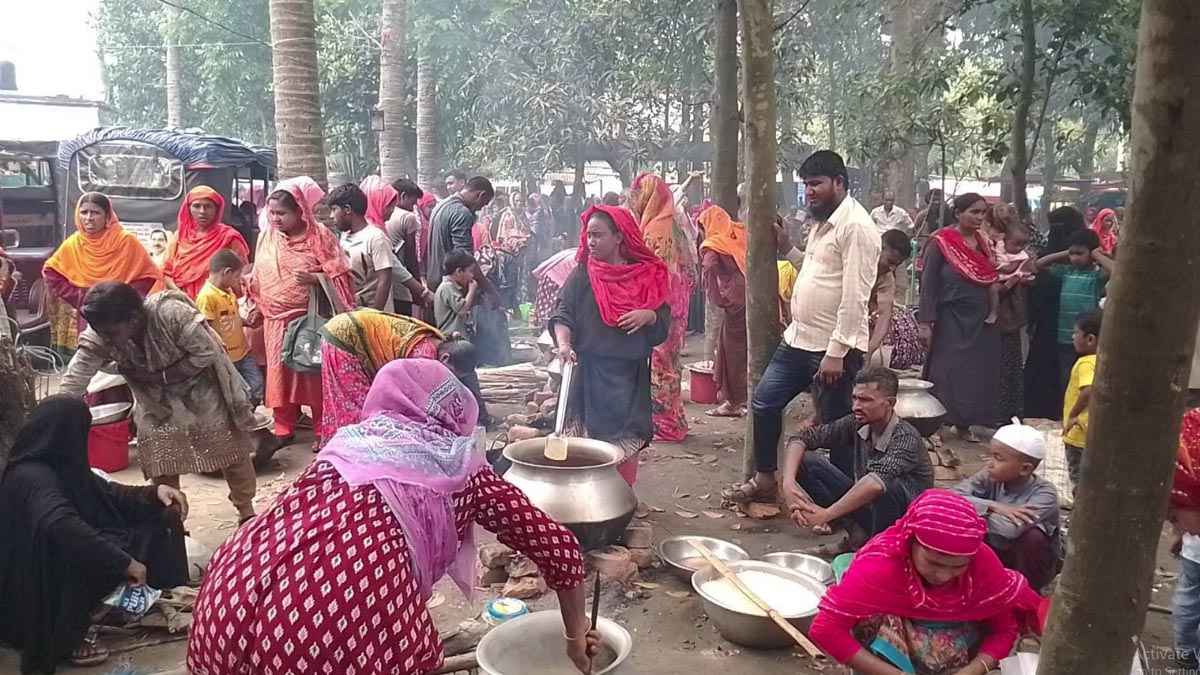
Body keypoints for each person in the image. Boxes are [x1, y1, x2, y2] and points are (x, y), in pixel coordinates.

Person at [187, 360, 600, 675]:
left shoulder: (344, 447)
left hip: (224, 610)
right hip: (321, 632)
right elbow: (560, 550)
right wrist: (574, 636)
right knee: (415, 650)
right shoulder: (457, 469)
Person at [724, 151, 879, 504]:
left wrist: (837, 353)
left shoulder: (856, 227)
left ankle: (840, 508)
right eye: (805, 185)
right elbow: (816, 271)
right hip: (798, 340)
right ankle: (766, 478)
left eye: (816, 184)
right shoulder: (823, 222)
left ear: (839, 183)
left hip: (833, 349)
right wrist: (788, 248)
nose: (809, 192)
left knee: (839, 429)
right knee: (764, 403)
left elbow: (856, 296)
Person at [0, 396, 190, 673]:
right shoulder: (31, 475)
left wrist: (154, 492)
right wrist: (123, 562)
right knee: (89, 554)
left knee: (160, 516)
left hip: (59, 551)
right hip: (35, 578)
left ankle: (133, 597)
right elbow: (61, 524)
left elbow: (109, 492)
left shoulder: (62, 465)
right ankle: (69, 635)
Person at [58, 282, 259, 522]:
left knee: (229, 449)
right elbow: (76, 376)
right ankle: (172, 520)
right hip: (153, 399)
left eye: (112, 333)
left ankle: (246, 512)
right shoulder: (103, 332)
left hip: (201, 389)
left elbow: (205, 352)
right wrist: (56, 415)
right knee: (161, 458)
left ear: (133, 319)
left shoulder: (172, 314)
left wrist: (162, 375)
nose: (107, 340)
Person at [809, 490, 1043, 674]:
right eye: (934, 563)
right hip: (888, 659)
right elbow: (826, 629)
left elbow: (1005, 629)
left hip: (958, 658)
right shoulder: (879, 567)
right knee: (870, 621)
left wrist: (973, 670)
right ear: (911, 543)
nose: (943, 576)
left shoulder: (983, 565)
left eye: (958, 567)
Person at [551, 205, 671, 487]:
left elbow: (663, 321)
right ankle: (588, 497)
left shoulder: (645, 275)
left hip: (629, 375)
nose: (591, 241)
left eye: (598, 235)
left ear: (619, 237)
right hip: (588, 371)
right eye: (588, 235)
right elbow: (563, 312)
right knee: (584, 440)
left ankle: (620, 499)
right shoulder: (583, 274)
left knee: (626, 438)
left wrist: (649, 315)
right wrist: (564, 344)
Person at [781, 368, 933, 554]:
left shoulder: (905, 437)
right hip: (870, 510)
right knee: (807, 461)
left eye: (866, 400)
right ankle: (857, 537)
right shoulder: (857, 422)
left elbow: (876, 484)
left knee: (885, 486)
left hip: (906, 522)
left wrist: (825, 515)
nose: (856, 406)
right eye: (855, 398)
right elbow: (802, 438)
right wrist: (788, 484)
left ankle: (881, 551)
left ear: (890, 403)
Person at [249, 185, 355, 445]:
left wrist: (314, 278)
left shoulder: (320, 236)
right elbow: (258, 273)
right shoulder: (267, 237)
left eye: (282, 213)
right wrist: (254, 300)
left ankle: (322, 429)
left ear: (300, 211)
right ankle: (284, 428)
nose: (276, 219)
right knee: (278, 375)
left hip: (308, 320)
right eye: (271, 213)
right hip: (274, 320)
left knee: (312, 374)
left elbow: (341, 272)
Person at [919, 193, 1002, 442]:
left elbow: (990, 278)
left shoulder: (984, 243)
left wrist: (992, 311)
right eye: (973, 212)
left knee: (975, 372)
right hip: (949, 316)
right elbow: (928, 283)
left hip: (979, 317)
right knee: (945, 370)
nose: (979, 218)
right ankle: (936, 425)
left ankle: (964, 423)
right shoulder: (941, 242)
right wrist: (925, 322)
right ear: (958, 214)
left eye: (982, 213)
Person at [42, 193, 161, 350]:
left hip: (121, 314)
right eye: (84, 212)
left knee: (124, 359)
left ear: (108, 216)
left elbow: (147, 274)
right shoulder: (74, 243)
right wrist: (82, 298)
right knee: (91, 354)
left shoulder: (125, 241)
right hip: (91, 314)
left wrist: (124, 300)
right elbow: (51, 273)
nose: (89, 218)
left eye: (95, 212)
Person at [954, 419, 1061, 591]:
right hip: (995, 552)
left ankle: (1026, 592)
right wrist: (993, 506)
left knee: (1033, 537)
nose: (990, 463)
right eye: (991, 455)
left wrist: (971, 513)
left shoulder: (1044, 493)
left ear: (1025, 469)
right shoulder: (990, 475)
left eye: (998, 458)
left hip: (1026, 563)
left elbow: (1008, 530)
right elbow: (952, 496)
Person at [628, 172, 695, 442]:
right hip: (677, 303)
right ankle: (675, 422)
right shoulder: (675, 222)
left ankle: (664, 426)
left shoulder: (657, 229)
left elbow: (652, 273)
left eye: (637, 195)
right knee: (671, 363)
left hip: (661, 305)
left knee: (659, 364)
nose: (634, 201)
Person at [316, 308, 444, 444]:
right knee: (361, 409)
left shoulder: (436, 338)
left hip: (342, 330)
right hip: (344, 338)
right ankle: (350, 453)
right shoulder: (426, 356)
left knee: (345, 403)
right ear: (446, 358)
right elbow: (412, 398)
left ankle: (340, 449)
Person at [1033, 228, 1113, 395]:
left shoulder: (1095, 276)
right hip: (1065, 336)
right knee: (1067, 379)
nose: (1075, 258)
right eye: (1072, 253)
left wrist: (1097, 255)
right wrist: (1065, 253)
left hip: (1089, 337)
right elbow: (1038, 264)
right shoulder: (1066, 272)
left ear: (1090, 253)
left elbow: (1116, 271)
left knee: (1088, 378)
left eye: (1080, 253)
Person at [1023, 206, 1085, 419]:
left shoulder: (1087, 264)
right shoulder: (1055, 255)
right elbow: (1036, 269)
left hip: (1069, 321)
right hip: (1049, 322)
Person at [328, 183, 426, 312]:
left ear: (347, 209)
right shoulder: (345, 237)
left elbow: (384, 280)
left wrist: (375, 315)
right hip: (351, 313)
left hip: (371, 316)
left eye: (334, 209)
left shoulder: (376, 238)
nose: (331, 216)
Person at [196, 249, 264, 406]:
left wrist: (247, 322)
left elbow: (232, 317)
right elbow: (207, 328)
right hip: (226, 358)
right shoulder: (207, 297)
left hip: (242, 353)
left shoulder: (228, 292)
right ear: (226, 272)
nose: (237, 281)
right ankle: (243, 423)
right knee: (238, 393)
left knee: (256, 386)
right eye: (236, 277)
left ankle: (249, 419)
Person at [698, 204, 748, 418]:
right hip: (748, 295)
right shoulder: (736, 233)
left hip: (734, 299)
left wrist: (716, 293)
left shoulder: (713, 243)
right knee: (739, 348)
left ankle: (734, 402)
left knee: (732, 351)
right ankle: (738, 398)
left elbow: (708, 266)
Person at [162, 186, 250, 299]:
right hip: (183, 304)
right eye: (197, 206)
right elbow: (166, 273)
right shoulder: (179, 237)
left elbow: (242, 276)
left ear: (216, 209)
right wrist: (182, 296)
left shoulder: (229, 237)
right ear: (188, 208)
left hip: (219, 306)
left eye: (208, 206)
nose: (202, 211)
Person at [1169, 408, 1200, 671]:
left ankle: (1186, 651)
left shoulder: (1191, 423)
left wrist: (1180, 532)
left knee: (1189, 597)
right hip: (1193, 550)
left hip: (1194, 552)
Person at [426, 175, 495, 291]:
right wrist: (488, 288)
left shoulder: (441, 205)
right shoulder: (462, 213)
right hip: (450, 287)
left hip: (434, 280)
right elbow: (465, 259)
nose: (480, 209)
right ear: (481, 195)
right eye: (483, 204)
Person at [994, 224, 1034, 420]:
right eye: (1015, 243)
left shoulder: (1024, 259)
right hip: (1001, 319)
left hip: (1009, 320)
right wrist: (1013, 280)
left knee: (1008, 367)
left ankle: (1006, 412)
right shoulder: (995, 255)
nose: (1018, 248)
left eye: (1022, 245)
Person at [1061, 310, 1101, 492]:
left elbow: (1088, 389)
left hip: (1078, 435)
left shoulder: (1087, 362)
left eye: (1076, 332)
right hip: (1092, 433)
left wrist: (1073, 414)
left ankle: (1080, 518)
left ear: (1090, 339)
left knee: (1079, 484)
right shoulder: (1105, 361)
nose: (1073, 336)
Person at [385, 178, 432, 315]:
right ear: (403, 196)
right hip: (402, 284)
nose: (414, 207)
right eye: (413, 202)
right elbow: (410, 257)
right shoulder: (408, 217)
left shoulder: (381, 216)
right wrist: (418, 290)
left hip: (387, 284)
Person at [867, 229, 913, 368]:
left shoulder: (887, 278)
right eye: (890, 261)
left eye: (896, 265)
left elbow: (884, 315)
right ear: (880, 247)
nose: (892, 268)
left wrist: (869, 351)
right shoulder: (855, 261)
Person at [434, 250, 481, 338]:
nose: (472, 276)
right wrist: (472, 290)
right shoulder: (447, 287)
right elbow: (462, 309)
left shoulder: (452, 287)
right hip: (451, 338)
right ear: (459, 271)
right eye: (470, 271)